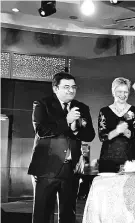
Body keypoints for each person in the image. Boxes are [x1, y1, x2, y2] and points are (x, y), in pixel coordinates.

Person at [28, 72, 95, 223]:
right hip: (46, 168)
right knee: (43, 214)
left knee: (68, 215)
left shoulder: (82, 107)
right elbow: (41, 130)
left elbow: (90, 135)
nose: (71, 90)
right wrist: (67, 121)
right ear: (55, 88)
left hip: (71, 169)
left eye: (73, 87)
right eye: (66, 87)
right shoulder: (42, 104)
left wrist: (76, 129)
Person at [98, 77, 135, 172]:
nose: (123, 95)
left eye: (125, 92)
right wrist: (117, 131)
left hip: (129, 158)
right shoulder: (104, 111)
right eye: (119, 91)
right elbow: (102, 136)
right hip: (108, 159)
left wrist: (125, 131)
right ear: (113, 92)